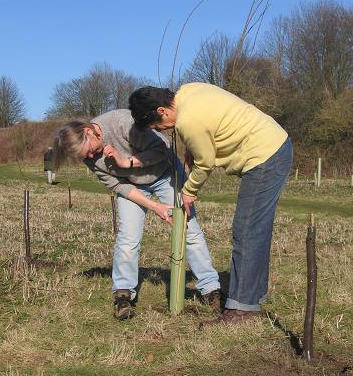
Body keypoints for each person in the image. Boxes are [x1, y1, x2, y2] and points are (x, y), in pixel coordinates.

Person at [129, 83, 293, 324]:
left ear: (162, 110)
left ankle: (241, 310)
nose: (163, 131)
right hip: (275, 144)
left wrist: (188, 191)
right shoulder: (189, 90)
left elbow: (205, 164)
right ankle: (253, 296)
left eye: (157, 125)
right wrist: (193, 151)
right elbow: (213, 126)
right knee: (255, 229)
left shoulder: (187, 121)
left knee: (246, 229)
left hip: (265, 156)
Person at [53, 109, 221, 320]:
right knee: (128, 237)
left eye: (88, 152)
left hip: (165, 172)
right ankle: (123, 294)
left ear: (89, 131)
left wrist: (127, 162)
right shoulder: (88, 155)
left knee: (189, 229)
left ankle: (210, 289)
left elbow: (162, 149)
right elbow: (117, 185)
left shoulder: (122, 122)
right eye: (84, 157)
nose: (90, 157)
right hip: (131, 185)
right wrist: (155, 206)